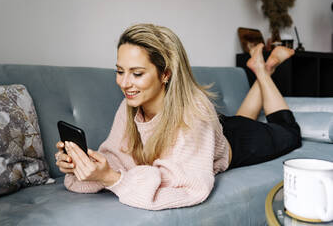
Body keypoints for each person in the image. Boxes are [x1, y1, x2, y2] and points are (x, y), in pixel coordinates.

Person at [55, 24, 301, 210]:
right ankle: (263, 69)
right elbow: (117, 157)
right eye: (120, 71)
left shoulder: (194, 111)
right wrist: (83, 166)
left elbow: (192, 188)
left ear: (165, 74)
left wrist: (112, 178)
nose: (124, 82)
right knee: (235, 120)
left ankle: (262, 70)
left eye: (137, 73)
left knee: (290, 133)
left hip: (237, 142)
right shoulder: (129, 106)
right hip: (209, 133)